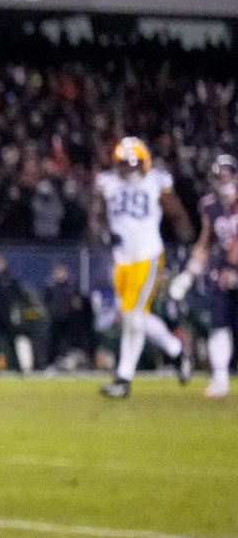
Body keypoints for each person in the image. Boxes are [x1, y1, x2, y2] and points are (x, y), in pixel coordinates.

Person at [93, 136, 190, 398]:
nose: (127, 169)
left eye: (133, 163)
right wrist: (103, 233)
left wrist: (184, 238)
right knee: (135, 316)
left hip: (147, 256)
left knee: (132, 317)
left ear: (144, 163)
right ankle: (177, 351)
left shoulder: (156, 181)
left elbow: (177, 213)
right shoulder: (108, 183)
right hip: (121, 259)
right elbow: (98, 217)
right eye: (123, 164)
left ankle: (123, 379)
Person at [182, 152, 238, 398]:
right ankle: (221, 380)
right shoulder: (210, 206)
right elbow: (205, 241)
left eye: (227, 175)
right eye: (219, 176)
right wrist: (189, 273)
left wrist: (234, 269)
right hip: (222, 270)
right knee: (218, 325)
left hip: (232, 267)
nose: (223, 180)